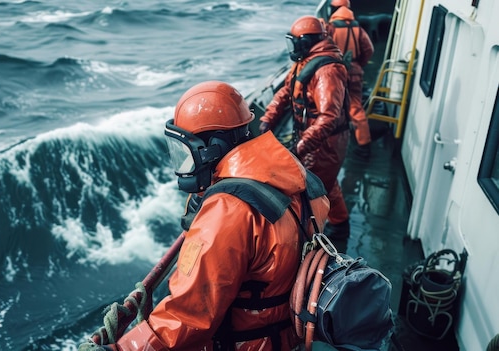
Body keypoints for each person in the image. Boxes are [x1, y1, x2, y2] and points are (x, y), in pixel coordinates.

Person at [79, 81, 330, 350]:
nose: (182, 165)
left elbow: (188, 316)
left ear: (213, 147)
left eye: (184, 153)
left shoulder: (228, 210)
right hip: (286, 337)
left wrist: (118, 349)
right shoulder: (300, 179)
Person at [259, 15, 351, 239]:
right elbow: (286, 92)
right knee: (325, 182)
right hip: (312, 136)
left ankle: (314, 234)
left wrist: (301, 146)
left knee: (313, 187)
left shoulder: (327, 71)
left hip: (327, 142)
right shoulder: (305, 62)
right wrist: (267, 118)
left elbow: (328, 116)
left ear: (305, 42)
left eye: (294, 43)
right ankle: (340, 223)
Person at [327, 0, 375, 159]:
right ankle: (364, 145)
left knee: (331, 106)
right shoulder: (357, 28)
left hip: (336, 72)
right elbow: (368, 49)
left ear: (333, 9)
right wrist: (357, 65)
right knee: (355, 106)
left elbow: (325, 50)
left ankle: (332, 142)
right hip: (355, 71)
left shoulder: (330, 27)